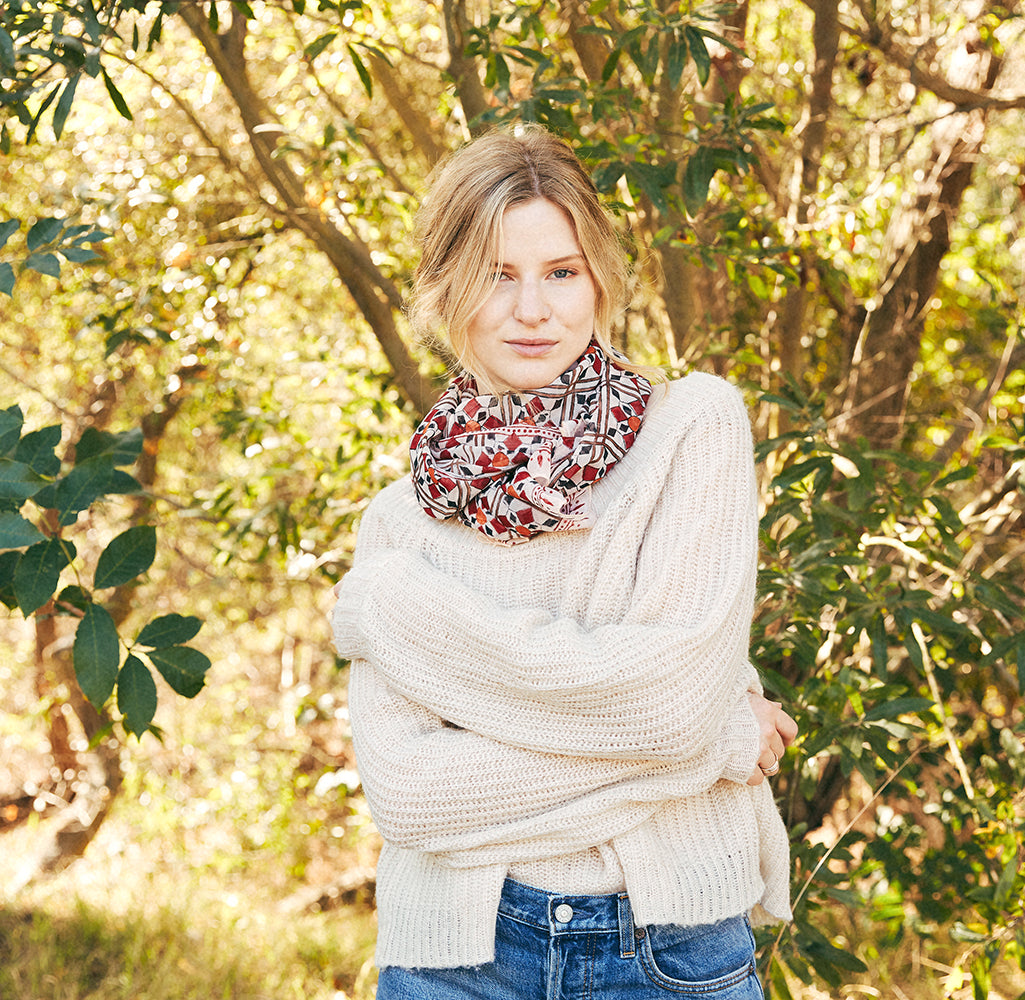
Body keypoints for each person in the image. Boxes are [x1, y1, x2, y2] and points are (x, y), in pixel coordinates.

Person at [330, 124, 795, 999]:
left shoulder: (689, 433)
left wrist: (681, 729)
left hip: (670, 954)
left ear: (601, 282)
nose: (533, 311)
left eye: (561, 272)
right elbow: (413, 798)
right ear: (445, 290)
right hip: (454, 962)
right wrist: (712, 742)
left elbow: (664, 713)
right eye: (497, 276)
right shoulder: (397, 530)